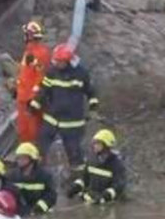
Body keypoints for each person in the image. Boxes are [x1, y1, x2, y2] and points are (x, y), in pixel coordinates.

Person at [31, 44, 99, 176]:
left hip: (72, 123)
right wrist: (35, 104)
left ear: (67, 61)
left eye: (59, 61)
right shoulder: (52, 72)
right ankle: (37, 172)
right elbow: (44, 89)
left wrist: (93, 109)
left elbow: (91, 92)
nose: (56, 63)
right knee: (41, 146)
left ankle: (78, 178)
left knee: (74, 152)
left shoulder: (81, 74)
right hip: (52, 118)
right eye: (55, 61)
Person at [67, 130, 126, 204]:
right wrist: (75, 187)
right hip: (90, 199)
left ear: (106, 145)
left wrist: (105, 197)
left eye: (98, 143)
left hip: (107, 203)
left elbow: (119, 186)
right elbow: (85, 179)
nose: (95, 146)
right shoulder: (92, 160)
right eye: (94, 143)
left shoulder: (116, 164)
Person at [16, 21, 52, 143]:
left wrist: (34, 99)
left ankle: (34, 155)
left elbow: (40, 77)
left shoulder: (41, 53)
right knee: (23, 130)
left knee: (32, 131)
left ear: (30, 36)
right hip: (23, 97)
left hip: (30, 100)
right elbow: (26, 74)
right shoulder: (29, 52)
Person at [5, 142, 57, 216]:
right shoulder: (11, 176)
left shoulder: (44, 176)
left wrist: (39, 208)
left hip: (39, 212)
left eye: (23, 158)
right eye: (18, 158)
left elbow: (51, 196)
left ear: (32, 159)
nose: (19, 160)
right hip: (19, 211)